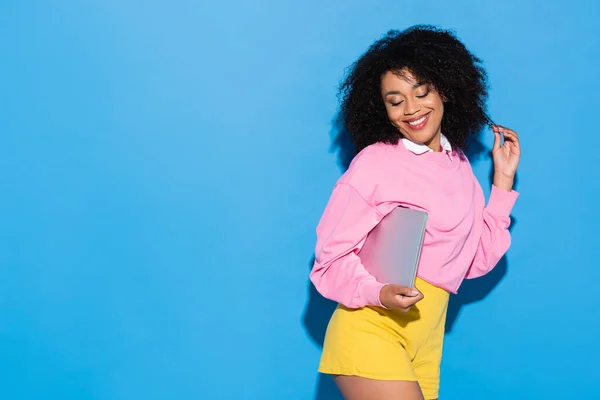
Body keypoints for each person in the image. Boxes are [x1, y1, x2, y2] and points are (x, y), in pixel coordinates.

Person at [309, 25, 520, 400]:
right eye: (395, 100)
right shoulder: (375, 163)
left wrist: (501, 183)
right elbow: (328, 261)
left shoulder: (459, 168)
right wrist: (378, 292)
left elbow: (475, 262)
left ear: (445, 90)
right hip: (372, 329)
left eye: (421, 92)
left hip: (426, 341)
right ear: (383, 110)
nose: (411, 109)